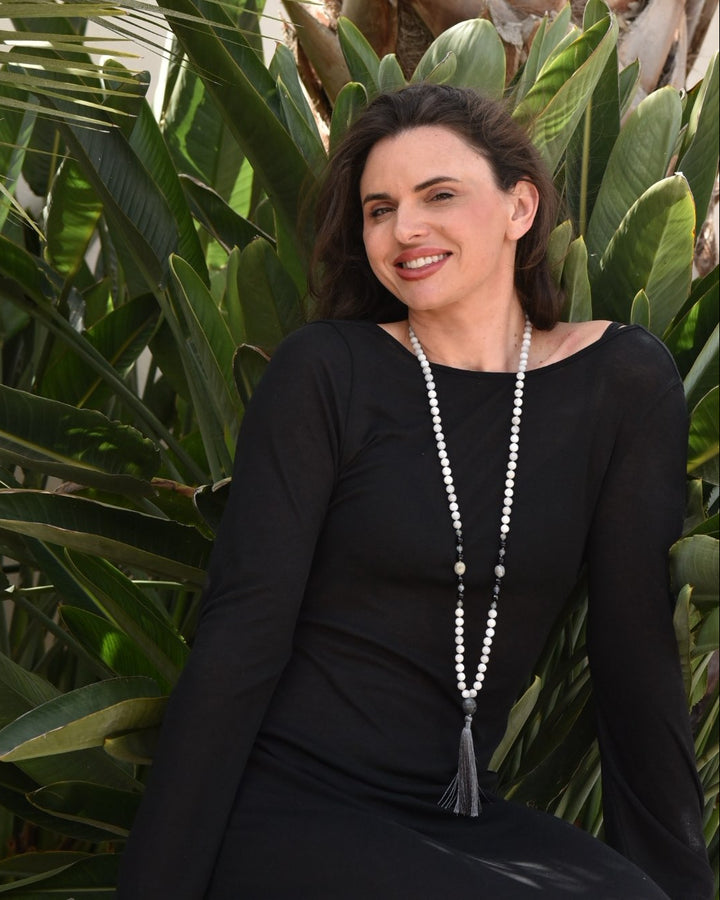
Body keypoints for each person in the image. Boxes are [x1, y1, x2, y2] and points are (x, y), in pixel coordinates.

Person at [117, 84, 713, 899]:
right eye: (377, 208)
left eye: (440, 196)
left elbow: (635, 656)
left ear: (519, 206)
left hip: (456, 816)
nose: (405, 230)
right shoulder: (327, 374)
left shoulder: (622, 384)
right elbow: (240, 636)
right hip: (291, 803)